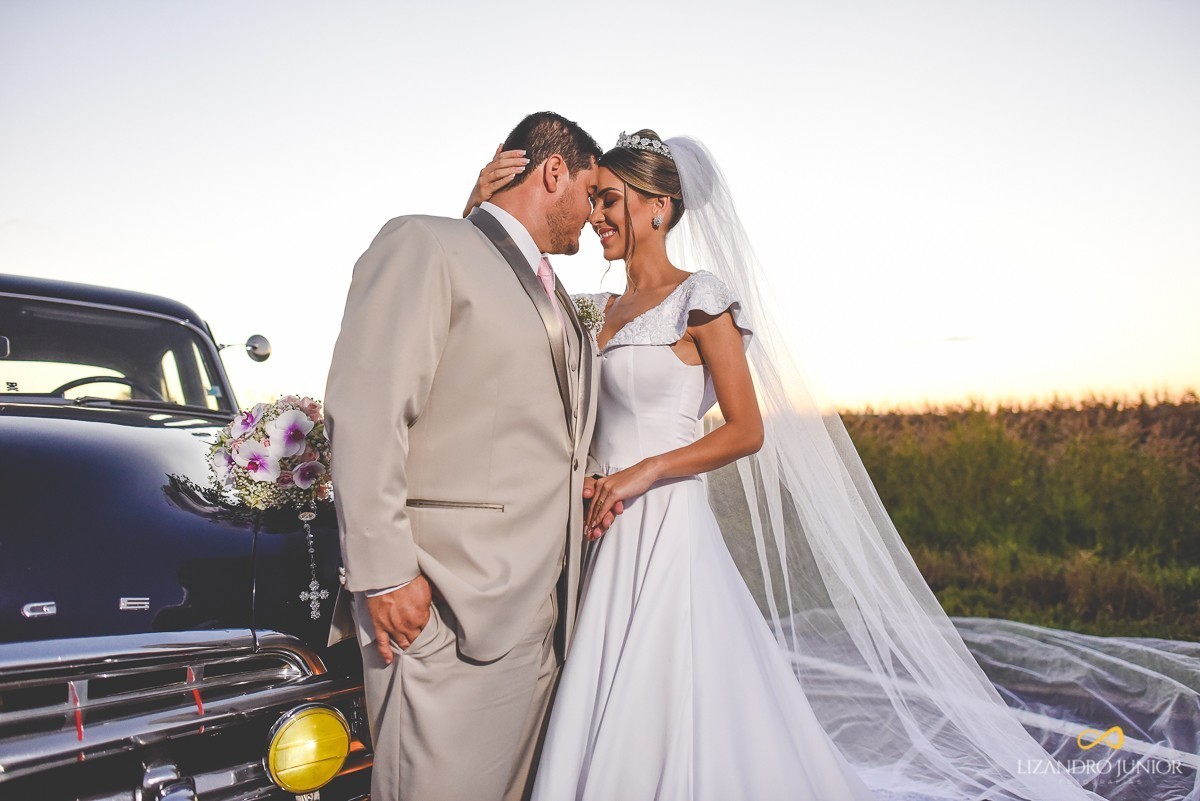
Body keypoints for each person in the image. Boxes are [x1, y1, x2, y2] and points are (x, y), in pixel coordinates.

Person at [466, 132, 1111, 801]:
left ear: (658, 207)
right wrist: (478, 209)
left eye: (609, 200)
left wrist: (645, 471)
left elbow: (746, 430)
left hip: (665, 523)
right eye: (594, 200)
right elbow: (512, 331)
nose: (595, 214)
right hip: (603, 529)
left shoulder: (699, 298)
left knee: (668, 686)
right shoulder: (594, 312)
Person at [325, 111, 623, 801]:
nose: (594, 214)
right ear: (554, 171)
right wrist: (385, 574)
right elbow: (367, 408)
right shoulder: (426, 244)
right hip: (447, 610)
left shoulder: (548, 290)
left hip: (544, 615)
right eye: (590, 192)